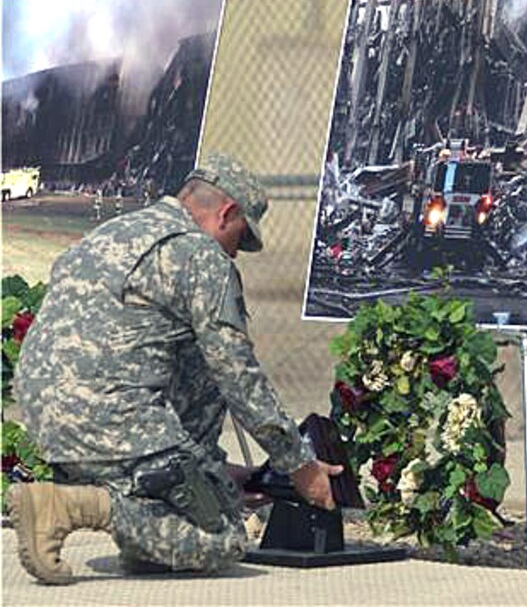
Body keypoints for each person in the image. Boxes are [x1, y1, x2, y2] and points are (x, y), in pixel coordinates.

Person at [10, 152, 342, 585]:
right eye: (239, 240)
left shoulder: (113, 231)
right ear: (227, 213)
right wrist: (301, 468)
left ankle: (120, 515)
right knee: (222, 538)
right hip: (114, 421)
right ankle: (71, 508)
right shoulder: (200, 255)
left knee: (190, 515)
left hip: (46, 418)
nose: (235, 254)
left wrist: (209, 471)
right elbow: (236, 375)